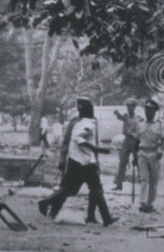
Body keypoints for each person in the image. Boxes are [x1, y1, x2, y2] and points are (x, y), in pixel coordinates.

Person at [39, 97, 118, 226]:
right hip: (80, 162)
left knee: (92, 189)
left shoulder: (91, 122)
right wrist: (62, 159)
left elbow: (93, 140)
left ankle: (93, 215)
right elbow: (68, 142)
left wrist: (95, 156)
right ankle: (52, 208)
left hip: (85, 160)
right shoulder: (76, 123)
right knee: (72, 189)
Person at [136, 98, 164, 213]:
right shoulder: (140, 124)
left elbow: (163, 140)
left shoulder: (159, 125)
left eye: (151, 110)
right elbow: (136, 140)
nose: (148, 112)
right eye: (147, 109)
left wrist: (160, 149)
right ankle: (143, 203)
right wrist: (134, 156)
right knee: (143, 179)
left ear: (155, 112)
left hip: (154, 154)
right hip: (142, 153)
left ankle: (150, 204)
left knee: (154, 180)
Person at [112, 98, 142, 190]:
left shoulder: (139, 118)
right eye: (128, 106)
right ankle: (119, 184)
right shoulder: (125, 116)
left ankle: (143, 183)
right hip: (127, 141)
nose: (130, 108)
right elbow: (119, 117)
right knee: (122, 162)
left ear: (135, 107)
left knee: (138, 162)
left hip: (135, 141)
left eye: (132, 106)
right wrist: (116, 113)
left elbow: (141, 128)